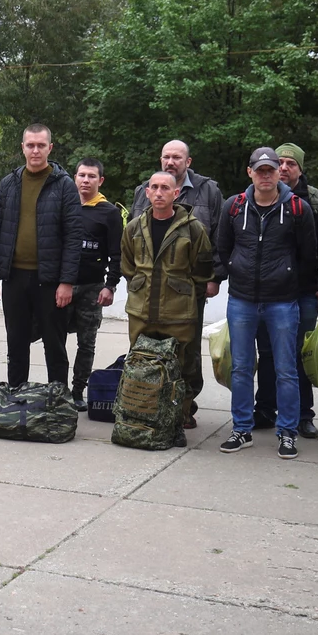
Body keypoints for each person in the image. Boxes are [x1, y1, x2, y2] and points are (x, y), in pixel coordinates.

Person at [215, 147, 316, 459]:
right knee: (242, 368)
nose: (266, 175)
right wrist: (229, 272)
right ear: (250, 173)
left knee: (286, 369)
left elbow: (308, 257)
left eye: (271, 170)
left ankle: (287, 432)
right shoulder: (234, 206)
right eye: (260, 170)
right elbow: (222, 248)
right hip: (242, 300)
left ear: (278, 173)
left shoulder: (299, 209)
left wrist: (292, 284)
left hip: (283, 303)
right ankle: (241, 429)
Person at [129, 140, 223, 425]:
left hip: (187, 293)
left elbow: (217, 237)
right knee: (144, 354)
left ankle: (183, 408)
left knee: (186, 354)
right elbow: (128, 253)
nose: (171, 162)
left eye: (177, 158)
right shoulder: (142, 192)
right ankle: (146, 406)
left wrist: (213, 277)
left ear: (188, 162)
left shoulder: (209, 191)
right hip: (146, 294)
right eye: (166, 157)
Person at [0, 124, 82, 387]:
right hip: (15, 278)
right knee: (16, 345)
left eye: (41, 145)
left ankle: (57, 402)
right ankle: (16, 400)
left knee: (55, 346)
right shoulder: (8, 184)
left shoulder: (64, 186)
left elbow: (74, 238)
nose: (35, 150)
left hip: (50, 281)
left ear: (50, 148)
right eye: (30, 145)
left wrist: (66, 282)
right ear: (23, 148)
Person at [121, 171, 212, 441]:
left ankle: (178, 422)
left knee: (181, 369)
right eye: (154, 187)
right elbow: (128, 266)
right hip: (141, 312)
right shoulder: (134, 227)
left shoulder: (193, 228)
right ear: (147, 193)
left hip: (178, 314)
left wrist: (180, 294)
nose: (159, 192)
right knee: (140, 367)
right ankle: (141, 418)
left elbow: (202, 270)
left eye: (165, 188)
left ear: (176, 193)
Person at [252, 143, 318, 438]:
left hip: (303, 291)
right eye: (279, 163)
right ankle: (265, 409)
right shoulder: (256, 197)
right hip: (268, 292)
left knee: (298, 354)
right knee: (269, 353)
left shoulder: (317, 201)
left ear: (300, 168)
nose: (284, 168)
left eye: (290, 163)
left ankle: (302, 415)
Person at [69, 158, 122, 411]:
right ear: (75, 178)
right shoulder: (65, 206)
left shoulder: (109, 212)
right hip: (63, 286)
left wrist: (109, 286)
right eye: (81, 175)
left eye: (91, 176)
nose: (85, 180)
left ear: (100, 180)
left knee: (86, 342)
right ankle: (56, 388)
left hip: (92, 287)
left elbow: (117, 254)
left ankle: (78, 390)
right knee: (53, 339)